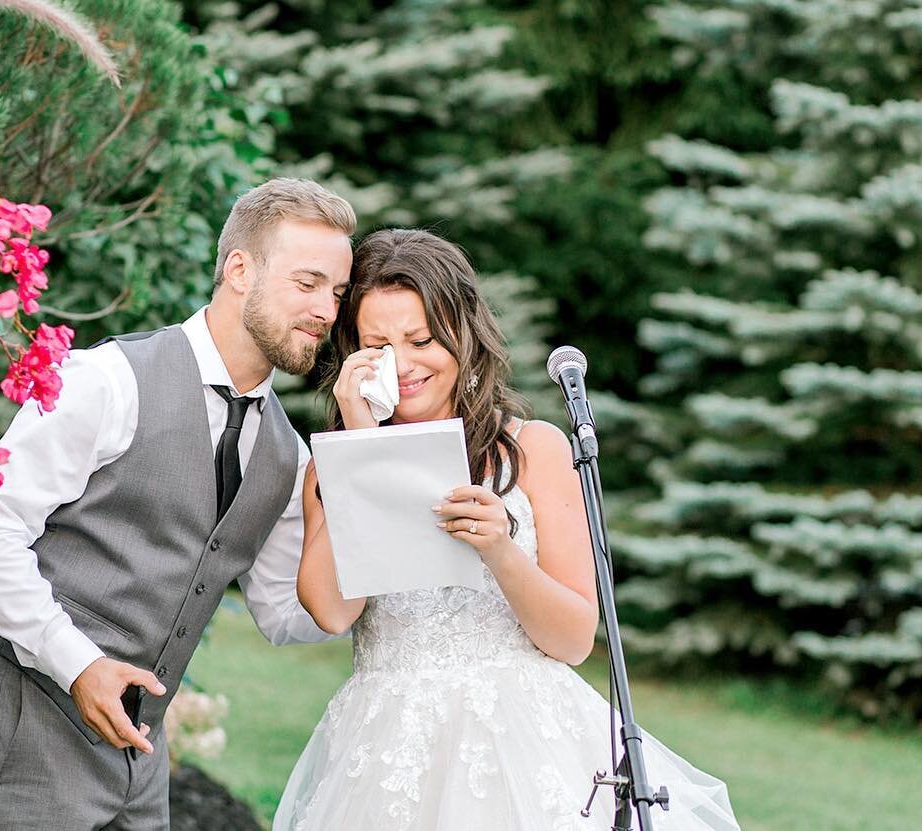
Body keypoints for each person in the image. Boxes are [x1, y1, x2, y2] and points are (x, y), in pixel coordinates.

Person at [275, 228, 740, 831]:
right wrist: (364, 450)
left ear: (463, 338)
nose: (404, 363)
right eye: (378, 345)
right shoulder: (333, 466)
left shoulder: (534, 449)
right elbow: (332, 611)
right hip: (389, 751)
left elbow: (574, 640)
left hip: (524, 741)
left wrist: (500, 550)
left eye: (422, 340)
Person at [0, 178, 356, 830]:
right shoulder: (109, 381)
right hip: (25, 733)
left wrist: (371, 521)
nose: (326, 310)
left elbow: (285, 615)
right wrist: (79, 665)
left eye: (335, 291)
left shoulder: (287, 455)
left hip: (140, 764)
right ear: (240, 270)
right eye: (307, 283)